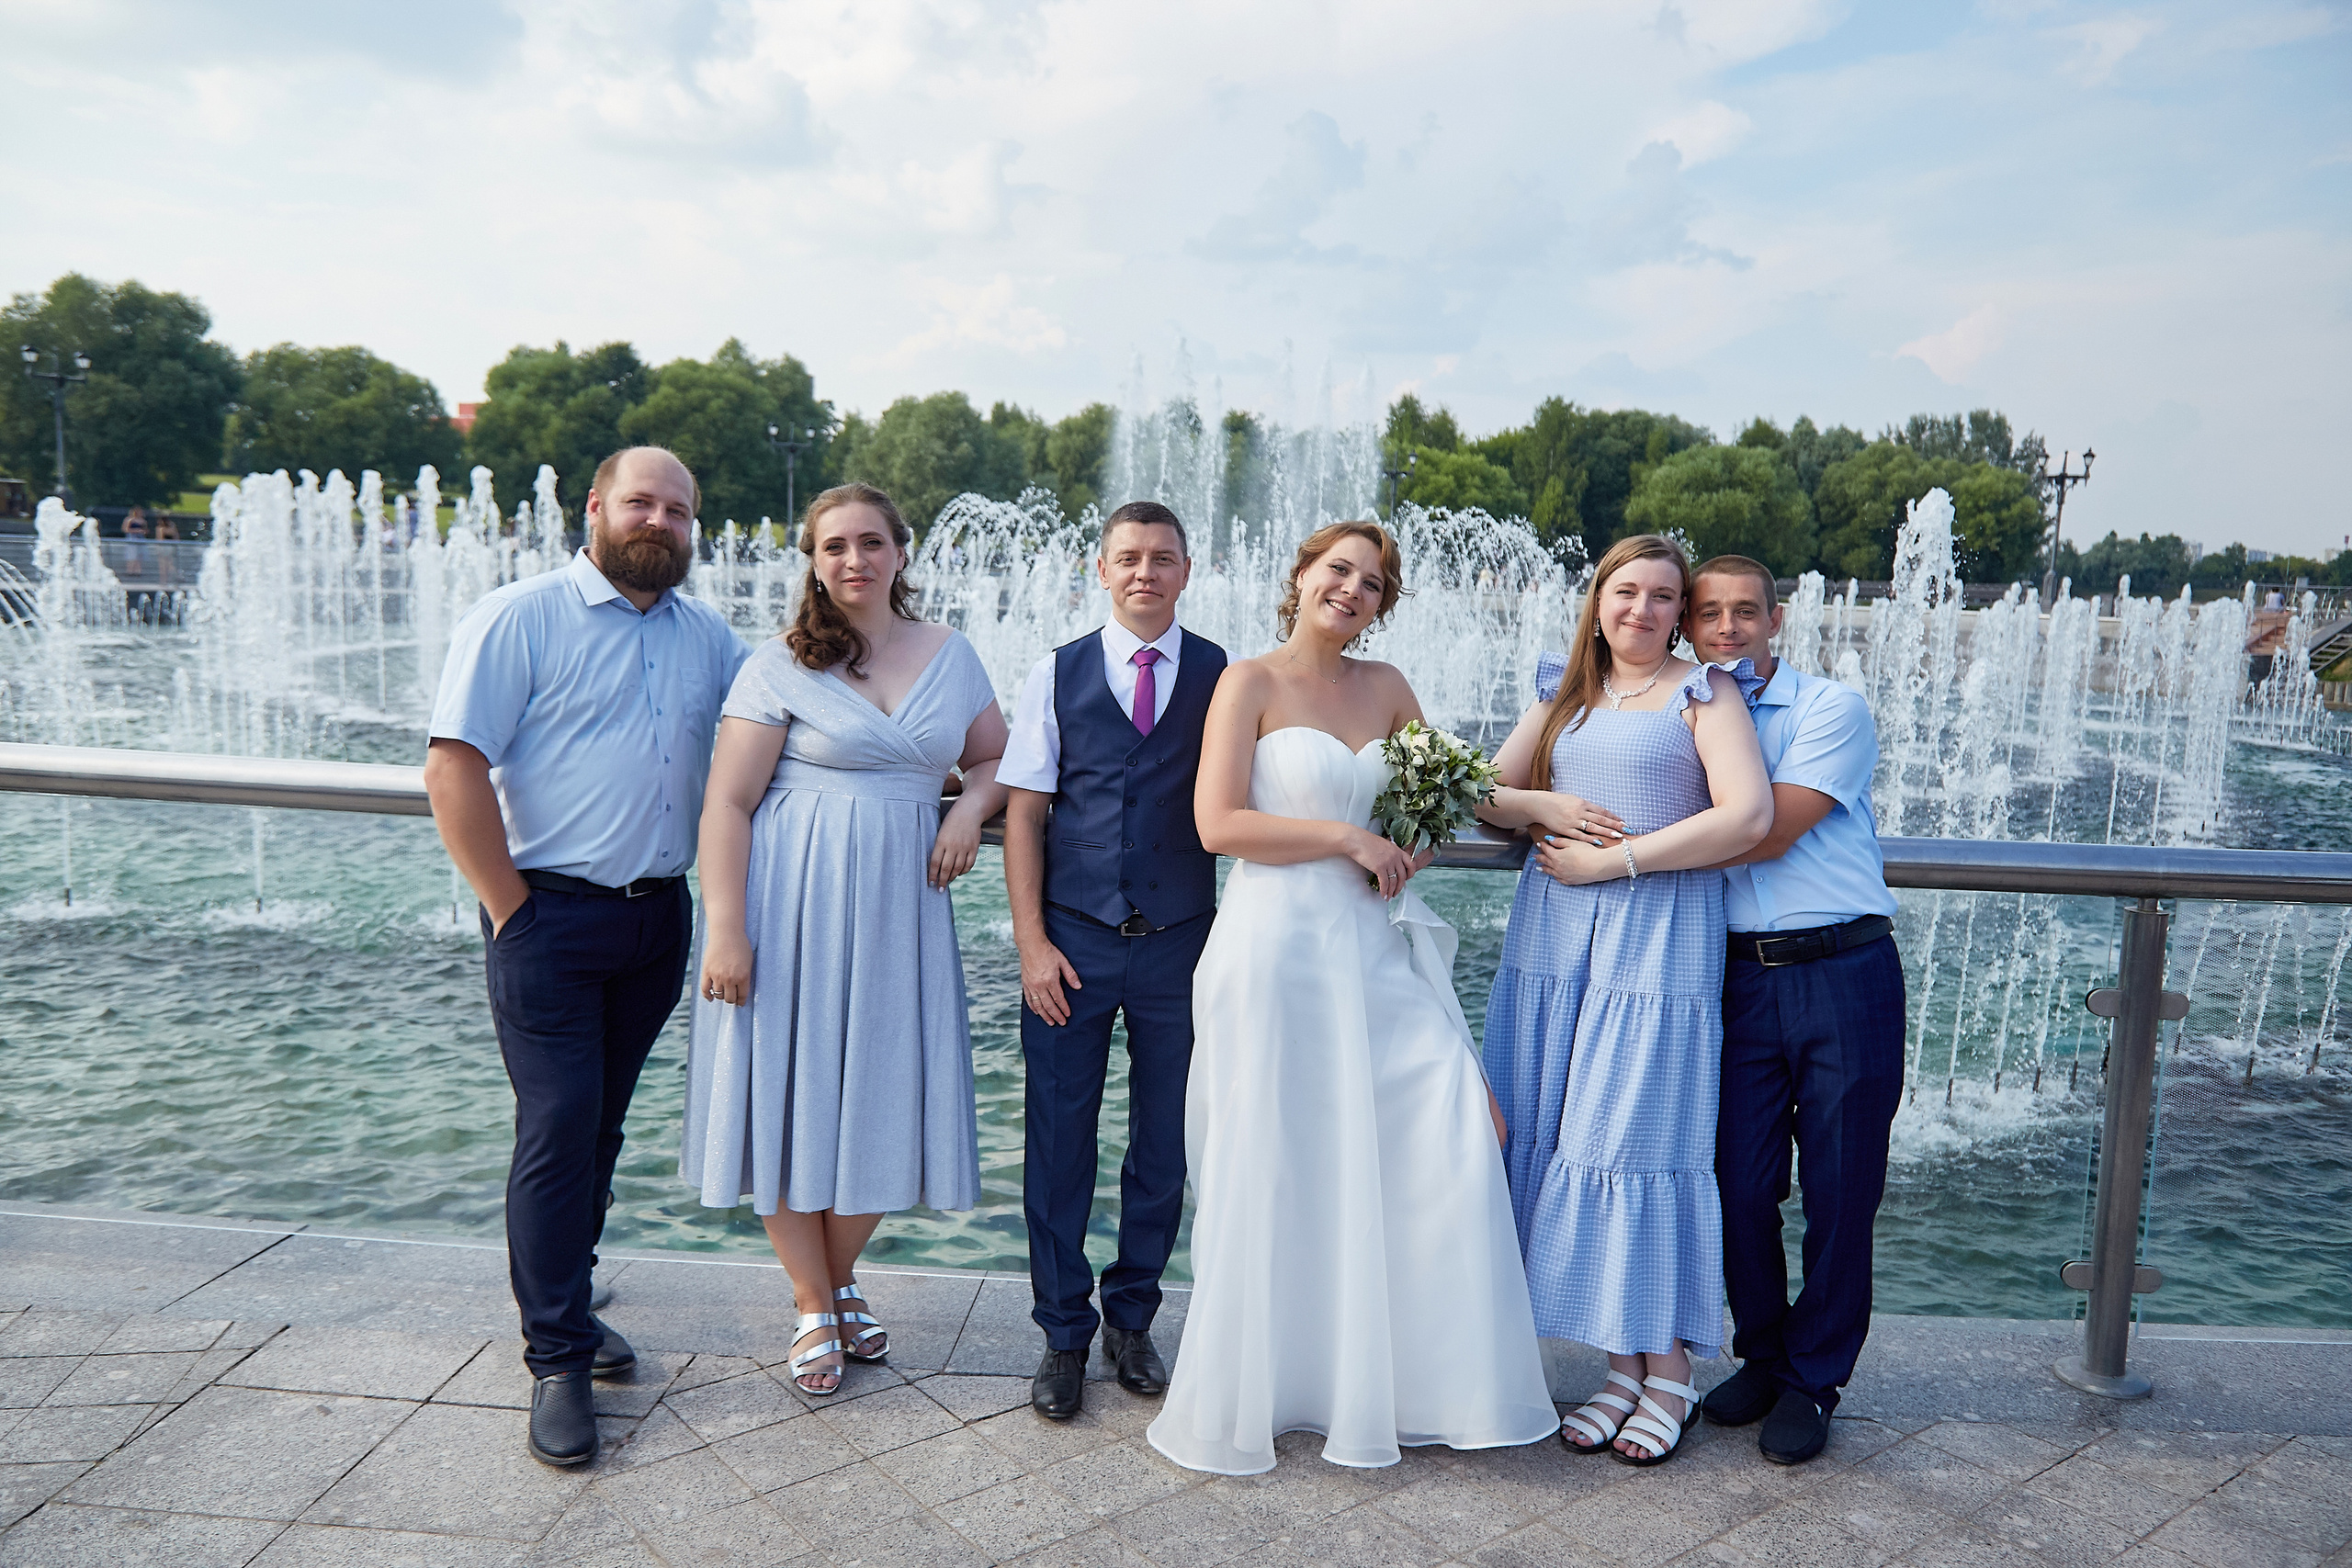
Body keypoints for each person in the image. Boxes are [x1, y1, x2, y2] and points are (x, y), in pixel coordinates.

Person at [1148, 521, 1559, 1475]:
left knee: (1453, 1119)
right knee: (1280, 1156)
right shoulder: (1246, 682)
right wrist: (1347, 838)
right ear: (1301, 576)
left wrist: (1461, 830)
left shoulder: (1389, 687)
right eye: (1338, 570)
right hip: (1275, 947)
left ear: (1382, 603)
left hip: (1373, 942)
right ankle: (1285, 1383)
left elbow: (1450, 796)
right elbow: (1218, 824)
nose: (1351, 590)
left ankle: (1416, 1382)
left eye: (1371, 583)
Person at [424, 446, 747, 1467]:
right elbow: (452, 768)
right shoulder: (519, 617)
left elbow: (788, 730)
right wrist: (511, 912)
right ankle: (557, 1359)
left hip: (657, 920)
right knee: (559, 1125)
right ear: (596, 508)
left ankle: (567, 1296)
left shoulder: (708, 636)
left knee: (601, 1127)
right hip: (546, 919)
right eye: (640, 503)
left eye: (678, 510)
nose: (659, 522)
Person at [682, 483, 1008, 1396]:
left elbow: (996, 757)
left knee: (884, 1092)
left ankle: (834, 1280)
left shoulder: (951, 654)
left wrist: (967, 810)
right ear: (815, 563)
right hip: (787, 909)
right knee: (785, 1099)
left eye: (870, 542)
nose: (854, 559)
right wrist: (727, 929)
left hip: (902, 915)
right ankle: (815, 1302)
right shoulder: (778, 665)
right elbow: (727, 803)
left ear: (901, 552)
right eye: (834, 546)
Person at [1476, 534, 1772, 1467]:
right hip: (1553, 941)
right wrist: (1545, 809)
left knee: (1633, 1139)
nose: (1641, 609)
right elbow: (1487, 793)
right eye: (1625, 591)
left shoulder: (1705, 691)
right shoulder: (1564, 689)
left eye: (1661, 596)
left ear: (1679, 613)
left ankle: (1670, 1370)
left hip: (1655, 942)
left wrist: (1616, 860)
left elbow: (1747, 815)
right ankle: (1618, 1363)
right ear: (1597, 599)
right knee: (1561, 1129)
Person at [999, 501, 1226, 1420]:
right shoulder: (1052, 673)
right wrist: (1032, 945)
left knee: (1163, 1146)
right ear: (1101, 570)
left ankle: (1132, 1320)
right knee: (1059, 1146)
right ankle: (1062, 1331)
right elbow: (1023, 815)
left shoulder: (1220, 673)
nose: (1144, 572)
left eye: (1162, 558)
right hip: (1071, 945)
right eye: (1127, 557)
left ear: (1185, 572)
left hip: (1182, 946)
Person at [1684, 556, 1904, 1465]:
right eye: (1709, 613)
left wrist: (1622, 853)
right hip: (1739, 977)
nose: (1727, 627)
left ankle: (1815, 1378)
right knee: (1738, 1183)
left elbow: (1767, 828)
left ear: (1776, 619)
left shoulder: (1828, 709)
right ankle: (1765, 1355)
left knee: (1841, 1190)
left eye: (1746, 611)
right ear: (1688, 625)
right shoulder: (1684, 712)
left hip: (1842, 968)